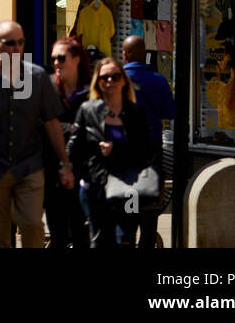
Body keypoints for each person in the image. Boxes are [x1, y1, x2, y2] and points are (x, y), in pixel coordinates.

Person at [0, 21, 75, 248]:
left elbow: (52, 122)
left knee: (31, 225)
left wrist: (65, 163)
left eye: (21, 42)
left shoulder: (37, 77)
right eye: (10, 43)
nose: (17, 48)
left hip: (29, 166)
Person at [69, 58, 160, 248]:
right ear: (98, 82)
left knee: (126, 240)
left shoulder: (136, 113)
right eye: (104, 78)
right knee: (100, 240)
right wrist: (83, 171)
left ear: (123, 80)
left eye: (115, 76)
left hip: (130, 189)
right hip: (96, 187)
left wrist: (115, 151)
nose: (110, 81)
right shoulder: (88, 110)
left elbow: (147, 153)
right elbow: (74, 149)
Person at [122, 35, 175, 249]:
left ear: (124, 55)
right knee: (149, 217)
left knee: (128, 216)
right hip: (152, 155)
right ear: (144, 55)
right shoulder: (159, 80)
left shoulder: (116, 80)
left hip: (125, 158)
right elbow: (170, 112)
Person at [45, 36, 92, 248]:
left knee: (82, 233)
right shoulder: (47, 87)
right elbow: (40, 124)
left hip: (83, 171)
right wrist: (71, 128)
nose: (56, 63)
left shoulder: (92, 91)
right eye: (54, 58)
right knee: (58, 235)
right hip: (53, 171)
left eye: (61, 58)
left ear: (76, 59)